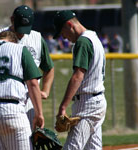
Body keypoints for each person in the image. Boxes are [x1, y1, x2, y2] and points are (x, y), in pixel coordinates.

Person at [0, 5, 54, 131]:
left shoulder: (36, 38)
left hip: (28, 100)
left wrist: (46, 90)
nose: (21, 33)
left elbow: (48, 68)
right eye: (19, 28)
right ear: (12, 20)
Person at [53, 10, 107, 150]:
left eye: (62, 32)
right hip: (96, 100)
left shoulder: (83, 41)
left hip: (87, 104)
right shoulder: (93, 36)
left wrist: (62, 107)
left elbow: (78, 76)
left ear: (69, 24)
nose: (64, 37)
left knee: (72, 147)